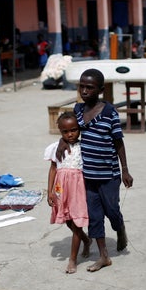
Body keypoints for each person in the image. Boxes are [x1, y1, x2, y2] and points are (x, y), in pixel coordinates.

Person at [57, 68, 133, 272]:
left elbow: (118, 142)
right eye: (81, 86)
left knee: (112, 211)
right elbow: (70, 129)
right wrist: (61, 141)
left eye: (89, 87)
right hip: (88, 176)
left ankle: (120, 228)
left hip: (109, 175)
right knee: (95, 216)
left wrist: (125, 170)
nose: (84, 91)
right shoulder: (78, 110)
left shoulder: (109, 112)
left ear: (100, 89)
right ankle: (103, 256)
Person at [45, 111, 91, 274]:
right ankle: (86, 240)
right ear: (60, 131)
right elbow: (52, 169)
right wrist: (49, 191)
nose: (70, 134)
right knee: (67, 220)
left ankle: (72, 260)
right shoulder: (55, 148)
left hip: (78, 189)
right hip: (61, 188)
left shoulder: (83, 147)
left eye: (74, 130)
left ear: (79, 129)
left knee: (77, 222)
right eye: (65, 131)